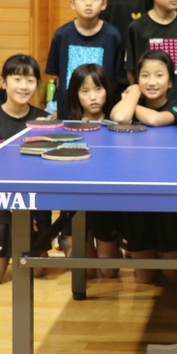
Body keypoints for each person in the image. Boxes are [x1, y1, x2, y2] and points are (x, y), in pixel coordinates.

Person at [110, 50, 177, 284]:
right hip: (135, 196)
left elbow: (156, 120)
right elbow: (120, 117)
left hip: (170, 197)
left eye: (159, 75)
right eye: (145, 75)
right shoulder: (130, 102)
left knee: (172, 276)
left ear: (170, 82)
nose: (151, 81)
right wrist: (134, 92)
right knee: (146, 278)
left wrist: (131, 99)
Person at [0, 54, 53, 285]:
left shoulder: (44, 120)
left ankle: (29, 246)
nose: (23, 86)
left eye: (30, 80)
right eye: (17, 79)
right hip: (1, 206)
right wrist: (15, 206)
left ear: (37, 84)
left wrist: (29, 210)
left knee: (37, 272)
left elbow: (49, 169)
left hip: (36, 206)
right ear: (3, 82)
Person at [61, 63, 122, 278]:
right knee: (85, 273)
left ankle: (114, 247)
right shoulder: (66, 126)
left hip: (107, 202)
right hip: (76, 201)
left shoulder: (118, 123)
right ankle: (66, 240)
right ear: (75, 95)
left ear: (107, 89)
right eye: (85, 91)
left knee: (108, 271)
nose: (93, 97)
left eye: (98, 89)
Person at [45, 0, 125, 119]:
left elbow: (116, 78)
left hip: (103, 114)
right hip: (68, 113)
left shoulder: (113, 36)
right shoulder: (62, 35)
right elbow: (58, 77)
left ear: (104, 4)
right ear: (72, 3)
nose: (88, 3)